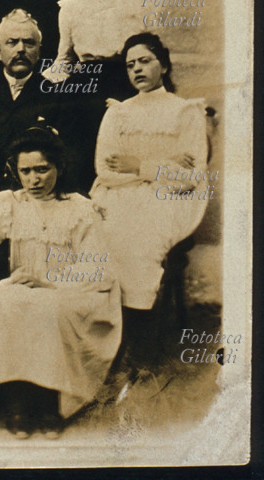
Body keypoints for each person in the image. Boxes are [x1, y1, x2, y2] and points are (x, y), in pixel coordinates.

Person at [0, 127, 122, 438]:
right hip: (24, 287)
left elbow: (98, 269)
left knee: (49, 308)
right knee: (9, 300)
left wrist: (49, 281)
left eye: (43, 169)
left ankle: (49, 403)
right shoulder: (11, 202)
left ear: (59, 166)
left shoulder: (80, 208)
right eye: (26, 171)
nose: (34, 179)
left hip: (72, 292)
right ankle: (18, 402)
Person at [90, 33, 208, 361]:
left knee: (143, 238)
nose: (137, 69)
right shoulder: (118, 113)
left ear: (164, 65)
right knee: (101, 237)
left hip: (170, 200)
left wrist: (138, 164)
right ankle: (107, 340)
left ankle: (139, 347)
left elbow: (189, 178)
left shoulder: (186, 112)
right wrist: (164, 162)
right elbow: (106, 169)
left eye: (145, 61)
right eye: (130, 65)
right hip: (119, 195)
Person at [0, 9, 84, 213]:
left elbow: (70, 157)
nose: (21, 49)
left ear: (39, 51)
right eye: (11, 42)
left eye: (29, 43)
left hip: (39, 202)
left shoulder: (56, 96)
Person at [41, 0, 145, 191]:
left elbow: (149, 56)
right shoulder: (73, 6)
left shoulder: (140, 4)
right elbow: (64, 58)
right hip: (84, 90)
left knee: (124, 160)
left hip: (127, 86)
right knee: (81, 160)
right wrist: (38, 88)